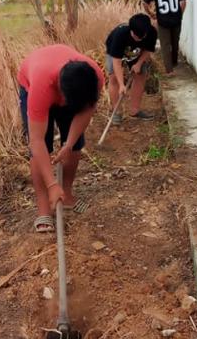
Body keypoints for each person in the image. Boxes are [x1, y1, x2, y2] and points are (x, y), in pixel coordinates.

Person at [18, 44, 104, 233]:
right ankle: (44, 208)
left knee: (76, 144)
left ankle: (67, 194)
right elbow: (37, 141)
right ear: (60, 92)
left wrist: (69, 144)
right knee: (41, 148)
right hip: (32, 81)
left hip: (71, 88)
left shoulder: (93, 78)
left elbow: (86, 111)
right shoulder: (41, 87)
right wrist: (51, 184)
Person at [105, 13, 157, 125]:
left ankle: (135, 110)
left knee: (141, 74)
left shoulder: (152, 33)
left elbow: (148, 49)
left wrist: (138, 63)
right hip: (115, 52)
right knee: (114, 78)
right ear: (130, 30)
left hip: (136, 52)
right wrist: (122, 84)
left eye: (140, 37)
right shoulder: (120, 35)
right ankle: (116, 113)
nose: (137, 38)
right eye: (134, 35)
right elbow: (117, 62)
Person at [143, 0, 188, 75]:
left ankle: (169, 70)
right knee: (175, 42)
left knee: (165, 45)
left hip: (162, 21)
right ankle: (174, 62)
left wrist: (152, 14)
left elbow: (144, 2)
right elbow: (183, 2)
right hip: (176, 19)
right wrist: (179, 14)